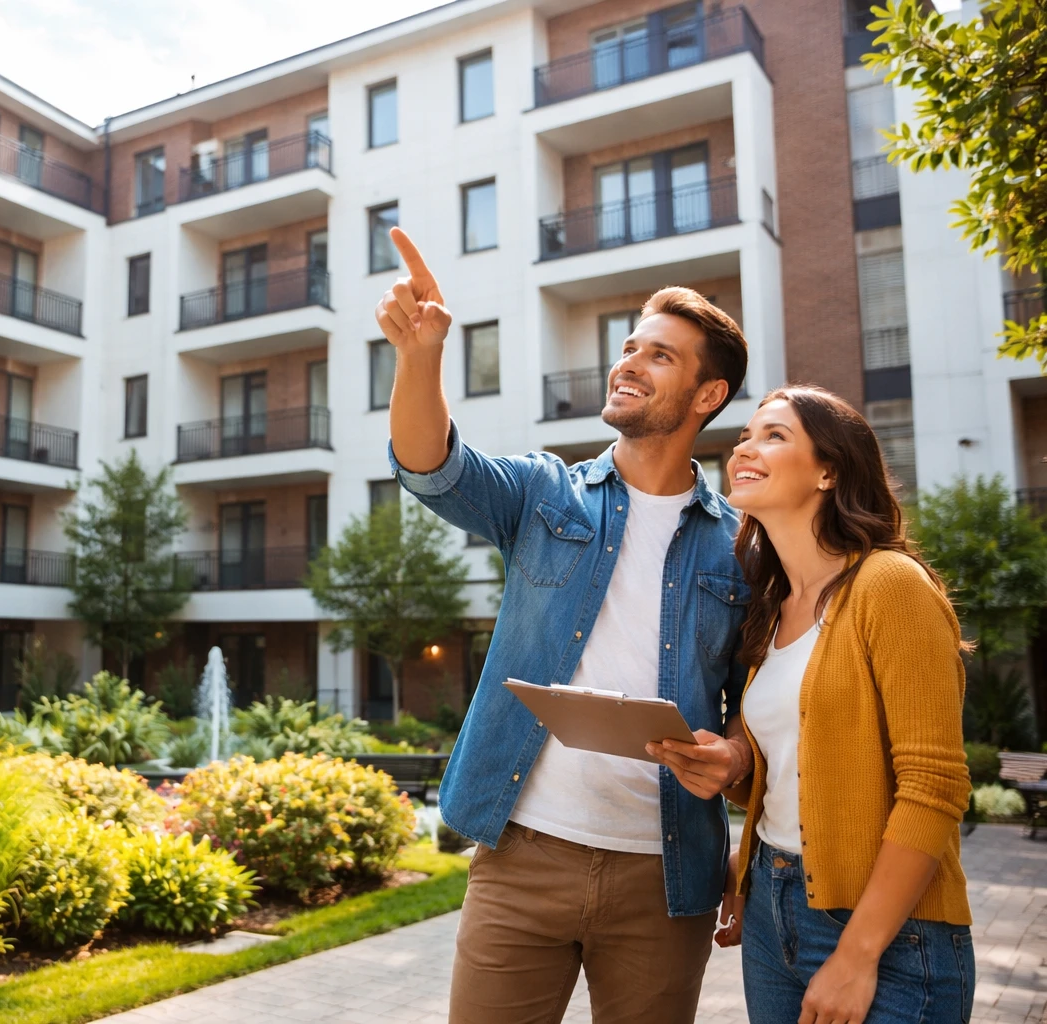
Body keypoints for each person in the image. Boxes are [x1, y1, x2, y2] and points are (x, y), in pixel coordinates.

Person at [379, 225, 753, 1024]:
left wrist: (736, 755)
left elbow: (765, 698)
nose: (628, 362)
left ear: (708, 395)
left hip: (666, 874)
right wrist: (419, 358)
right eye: (629, 346)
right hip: (522, 856)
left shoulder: (742, 548)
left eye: (659, 355)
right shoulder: (546, 494)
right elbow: (432, 467)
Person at [677, 386, 973, 1024]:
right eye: (746, 436)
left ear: (830, 470)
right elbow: (800, 768)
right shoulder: (772, 609)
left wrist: (858, 954)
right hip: (769, 912)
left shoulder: (888, 584)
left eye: (774, 435)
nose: (745, 448)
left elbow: (934, 787)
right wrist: (735, 790)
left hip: (889, 932)